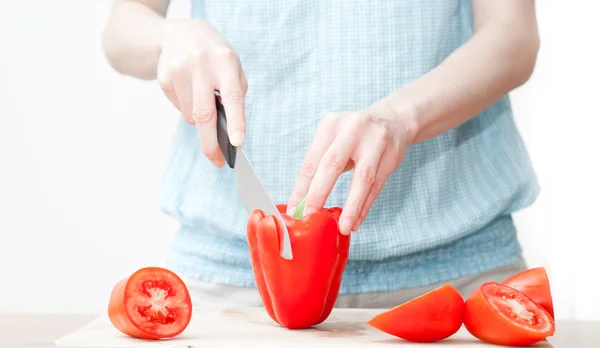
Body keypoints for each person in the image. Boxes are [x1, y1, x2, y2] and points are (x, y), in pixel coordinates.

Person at [102, 0, 541, 309]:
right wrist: (171, 35)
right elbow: (123, 26)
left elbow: (514, 37)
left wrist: (400, 118)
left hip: (457, 278)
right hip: (229, 282)